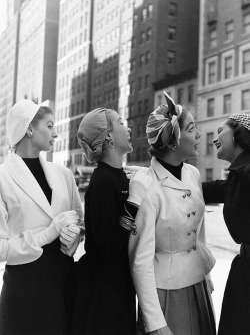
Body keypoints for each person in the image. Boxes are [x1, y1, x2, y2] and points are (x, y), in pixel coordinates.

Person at [128, 92, 216, 335]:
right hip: (165, 294)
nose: (199, 135)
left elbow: (200, 230)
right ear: (174, 140)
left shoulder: (193, 174)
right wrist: (156, 323)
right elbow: (140, 260)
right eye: (191, 129)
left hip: (198, 284)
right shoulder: (146, 185)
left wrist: (205, 274)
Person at [0, 99, 83, 335]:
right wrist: (47, 235)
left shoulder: (64, 174)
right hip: (25, 293)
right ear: (29, 128)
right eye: (49, 125)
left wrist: (74, 236)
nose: (55, 133)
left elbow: (80, 222)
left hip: (64, 286)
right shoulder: (2, 178)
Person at [70, 107, 151, 335]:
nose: (128, 128)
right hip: (103, 295)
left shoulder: (118, 176)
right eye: (121, 122)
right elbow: (109, 248)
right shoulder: (103, 181)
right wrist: (133, 201)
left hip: (119, 287)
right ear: (108, 137)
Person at [202, 113, 250, 335]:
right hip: (243, 270)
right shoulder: (237, 177)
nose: (214, 138)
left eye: (221, 130)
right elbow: (200, 189)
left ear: (239, 133)